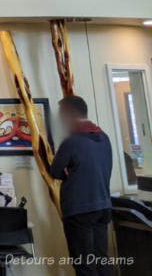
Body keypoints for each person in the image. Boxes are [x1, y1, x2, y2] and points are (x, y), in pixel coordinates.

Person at [50, 95, 113, 276]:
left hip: (79, 209)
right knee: (101, 260)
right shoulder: (104, 137)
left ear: (70, 114)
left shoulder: (72, 142)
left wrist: (68, 173)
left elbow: (55, 171)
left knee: (84, 265)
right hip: (103, 205)